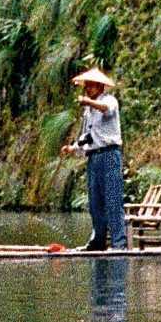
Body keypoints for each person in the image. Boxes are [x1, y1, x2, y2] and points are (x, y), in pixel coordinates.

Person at [67, 67, 125, 251]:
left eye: (91, 86)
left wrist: (89, 103)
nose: (88, 89)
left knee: (113, 199)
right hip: (93, 157)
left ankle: (118, 243)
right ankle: (97, 241)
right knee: (95, 201)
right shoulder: (88, 110)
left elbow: (106, 110)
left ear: (100, 86)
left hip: (110, 154)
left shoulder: (109, 100)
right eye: (86, 86)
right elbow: (87, 135)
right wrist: (73, 147)